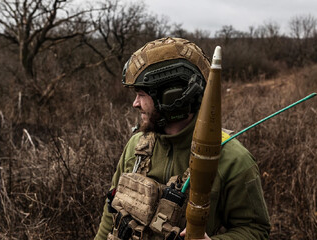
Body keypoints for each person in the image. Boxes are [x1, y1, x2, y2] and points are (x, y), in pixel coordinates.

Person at [95, 37, 270, 240]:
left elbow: (256, 230)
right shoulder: (137, 145)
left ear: (172, 97)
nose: (135, 103)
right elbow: (111, 214)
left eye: (141, 94)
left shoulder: (233, 159)